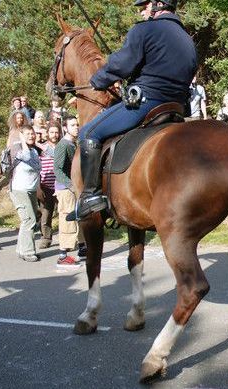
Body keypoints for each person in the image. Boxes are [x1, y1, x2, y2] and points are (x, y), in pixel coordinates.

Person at [74, 0, 197, 220]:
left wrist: (99, 79)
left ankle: (91, 196)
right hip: (176, 107)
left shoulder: (146, 29)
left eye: (144, 5)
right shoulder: (187, 39)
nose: (141, 11)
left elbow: (122, 64)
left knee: (88, 133)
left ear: (158, 4)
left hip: (147, 103)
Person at [53, 116, 85, 267]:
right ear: (65, 128)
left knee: (80, 218)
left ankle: (83, 249)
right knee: (68, 220)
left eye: (77, 125)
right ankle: (62, 255)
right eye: (72, 125)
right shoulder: (63, 145)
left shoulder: (74, 143)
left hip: (75, 188)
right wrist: (70, 185)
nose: (76, 127)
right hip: (66, 189)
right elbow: (57, 169)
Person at [9, 125, 42, 262]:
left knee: (27, 220)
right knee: (30, 220)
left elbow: (38, 167)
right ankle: (28, 252)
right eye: (27, 134)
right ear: (21, 135)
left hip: (31, 190)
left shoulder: (34, 150)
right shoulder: (17, 148)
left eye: (32, 133)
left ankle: (21, 249)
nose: (31, 136)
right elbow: (26, 156)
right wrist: (22, 140)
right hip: (19, 189)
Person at [37, 121, 60, 249]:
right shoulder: (41, 149)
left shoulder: (63, 146)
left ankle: (66, 238)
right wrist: (39, 186)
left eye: (56, 132)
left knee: (64, 213)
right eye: (52, 132)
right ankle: (46, 238)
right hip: (46, 185)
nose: (54, 135)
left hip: (60, 185)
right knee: (46, 214)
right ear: (47, 133)